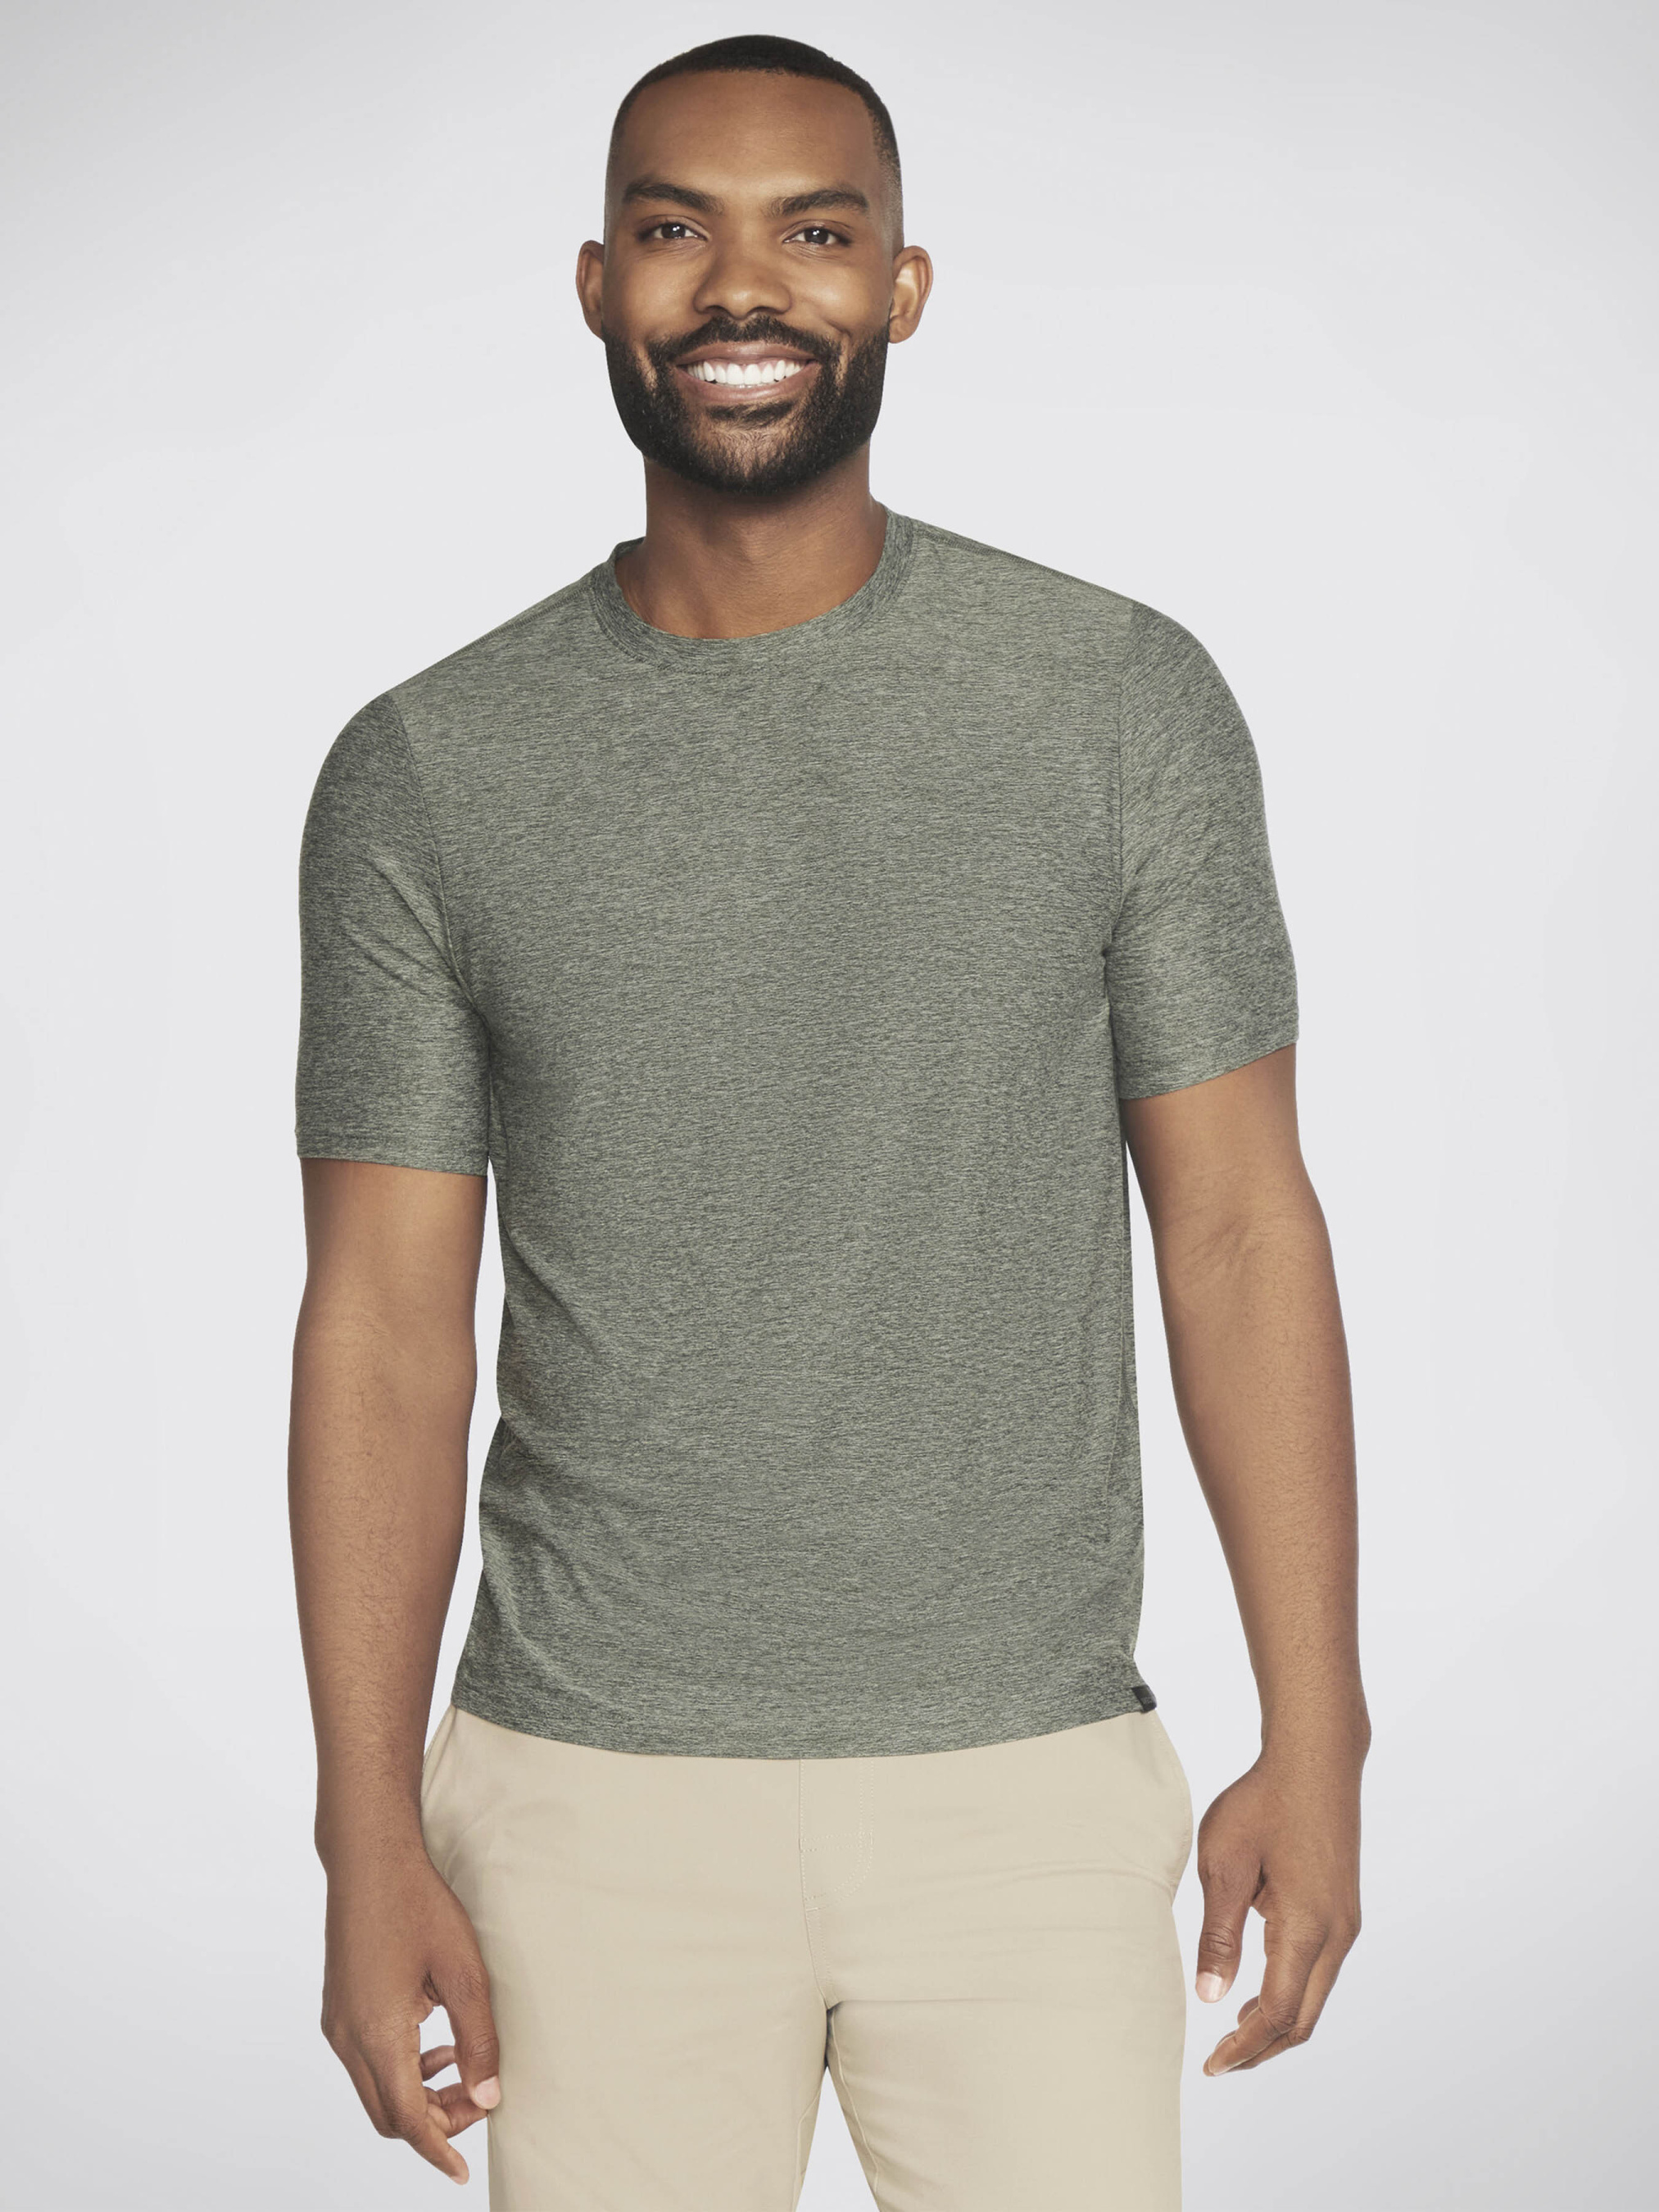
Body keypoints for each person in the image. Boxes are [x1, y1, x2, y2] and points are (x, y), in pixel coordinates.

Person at [288, 33, 1368, 2211]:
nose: (741, 286)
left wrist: (1317, 1725)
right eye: (674, 228)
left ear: (901, 287)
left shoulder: (1113, 701)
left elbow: (1240, 1225)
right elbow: (384, 1323)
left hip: (1026, 1779)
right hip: (582, 1793)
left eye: (815, 229)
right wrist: (364, 1828)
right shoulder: (428, 768)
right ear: (597, 284)